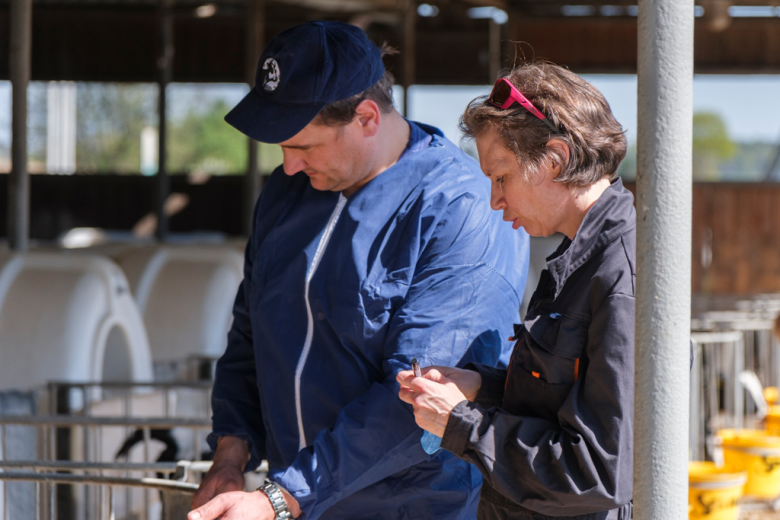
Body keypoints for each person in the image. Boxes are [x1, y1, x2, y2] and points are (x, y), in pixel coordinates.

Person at [188, 21, 530, 520]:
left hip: (412, 509)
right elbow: (250, 336)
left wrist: (281, 498)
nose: (288, 166)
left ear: (366, 117)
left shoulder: (459, 209)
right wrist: (230, 454)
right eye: (281, 147)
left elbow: (420, 397)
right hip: (295, 500)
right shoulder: (287, 195)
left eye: (304, 146)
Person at [398, 61, 635, 520]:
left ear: (555, 159)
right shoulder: (581, 258)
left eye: (501, 177)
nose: (494, 200)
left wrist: (461, 425)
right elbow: (559, 404)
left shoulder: (619, 278)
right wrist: (481, 389)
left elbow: (595, 473)